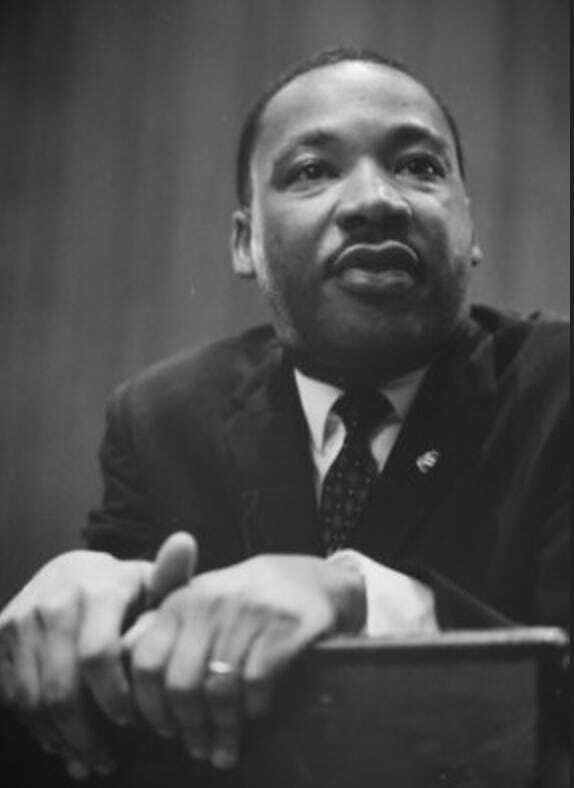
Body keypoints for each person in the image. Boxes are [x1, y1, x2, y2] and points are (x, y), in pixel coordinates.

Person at [0, 47, 569, 786]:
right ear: (246, 243)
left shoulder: (559, 388)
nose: (376, 200)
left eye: (418, 166)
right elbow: (116, 698)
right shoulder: (162, 418)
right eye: (311, 171)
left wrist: (352, 595)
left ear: (471, 227)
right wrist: (83, 597)